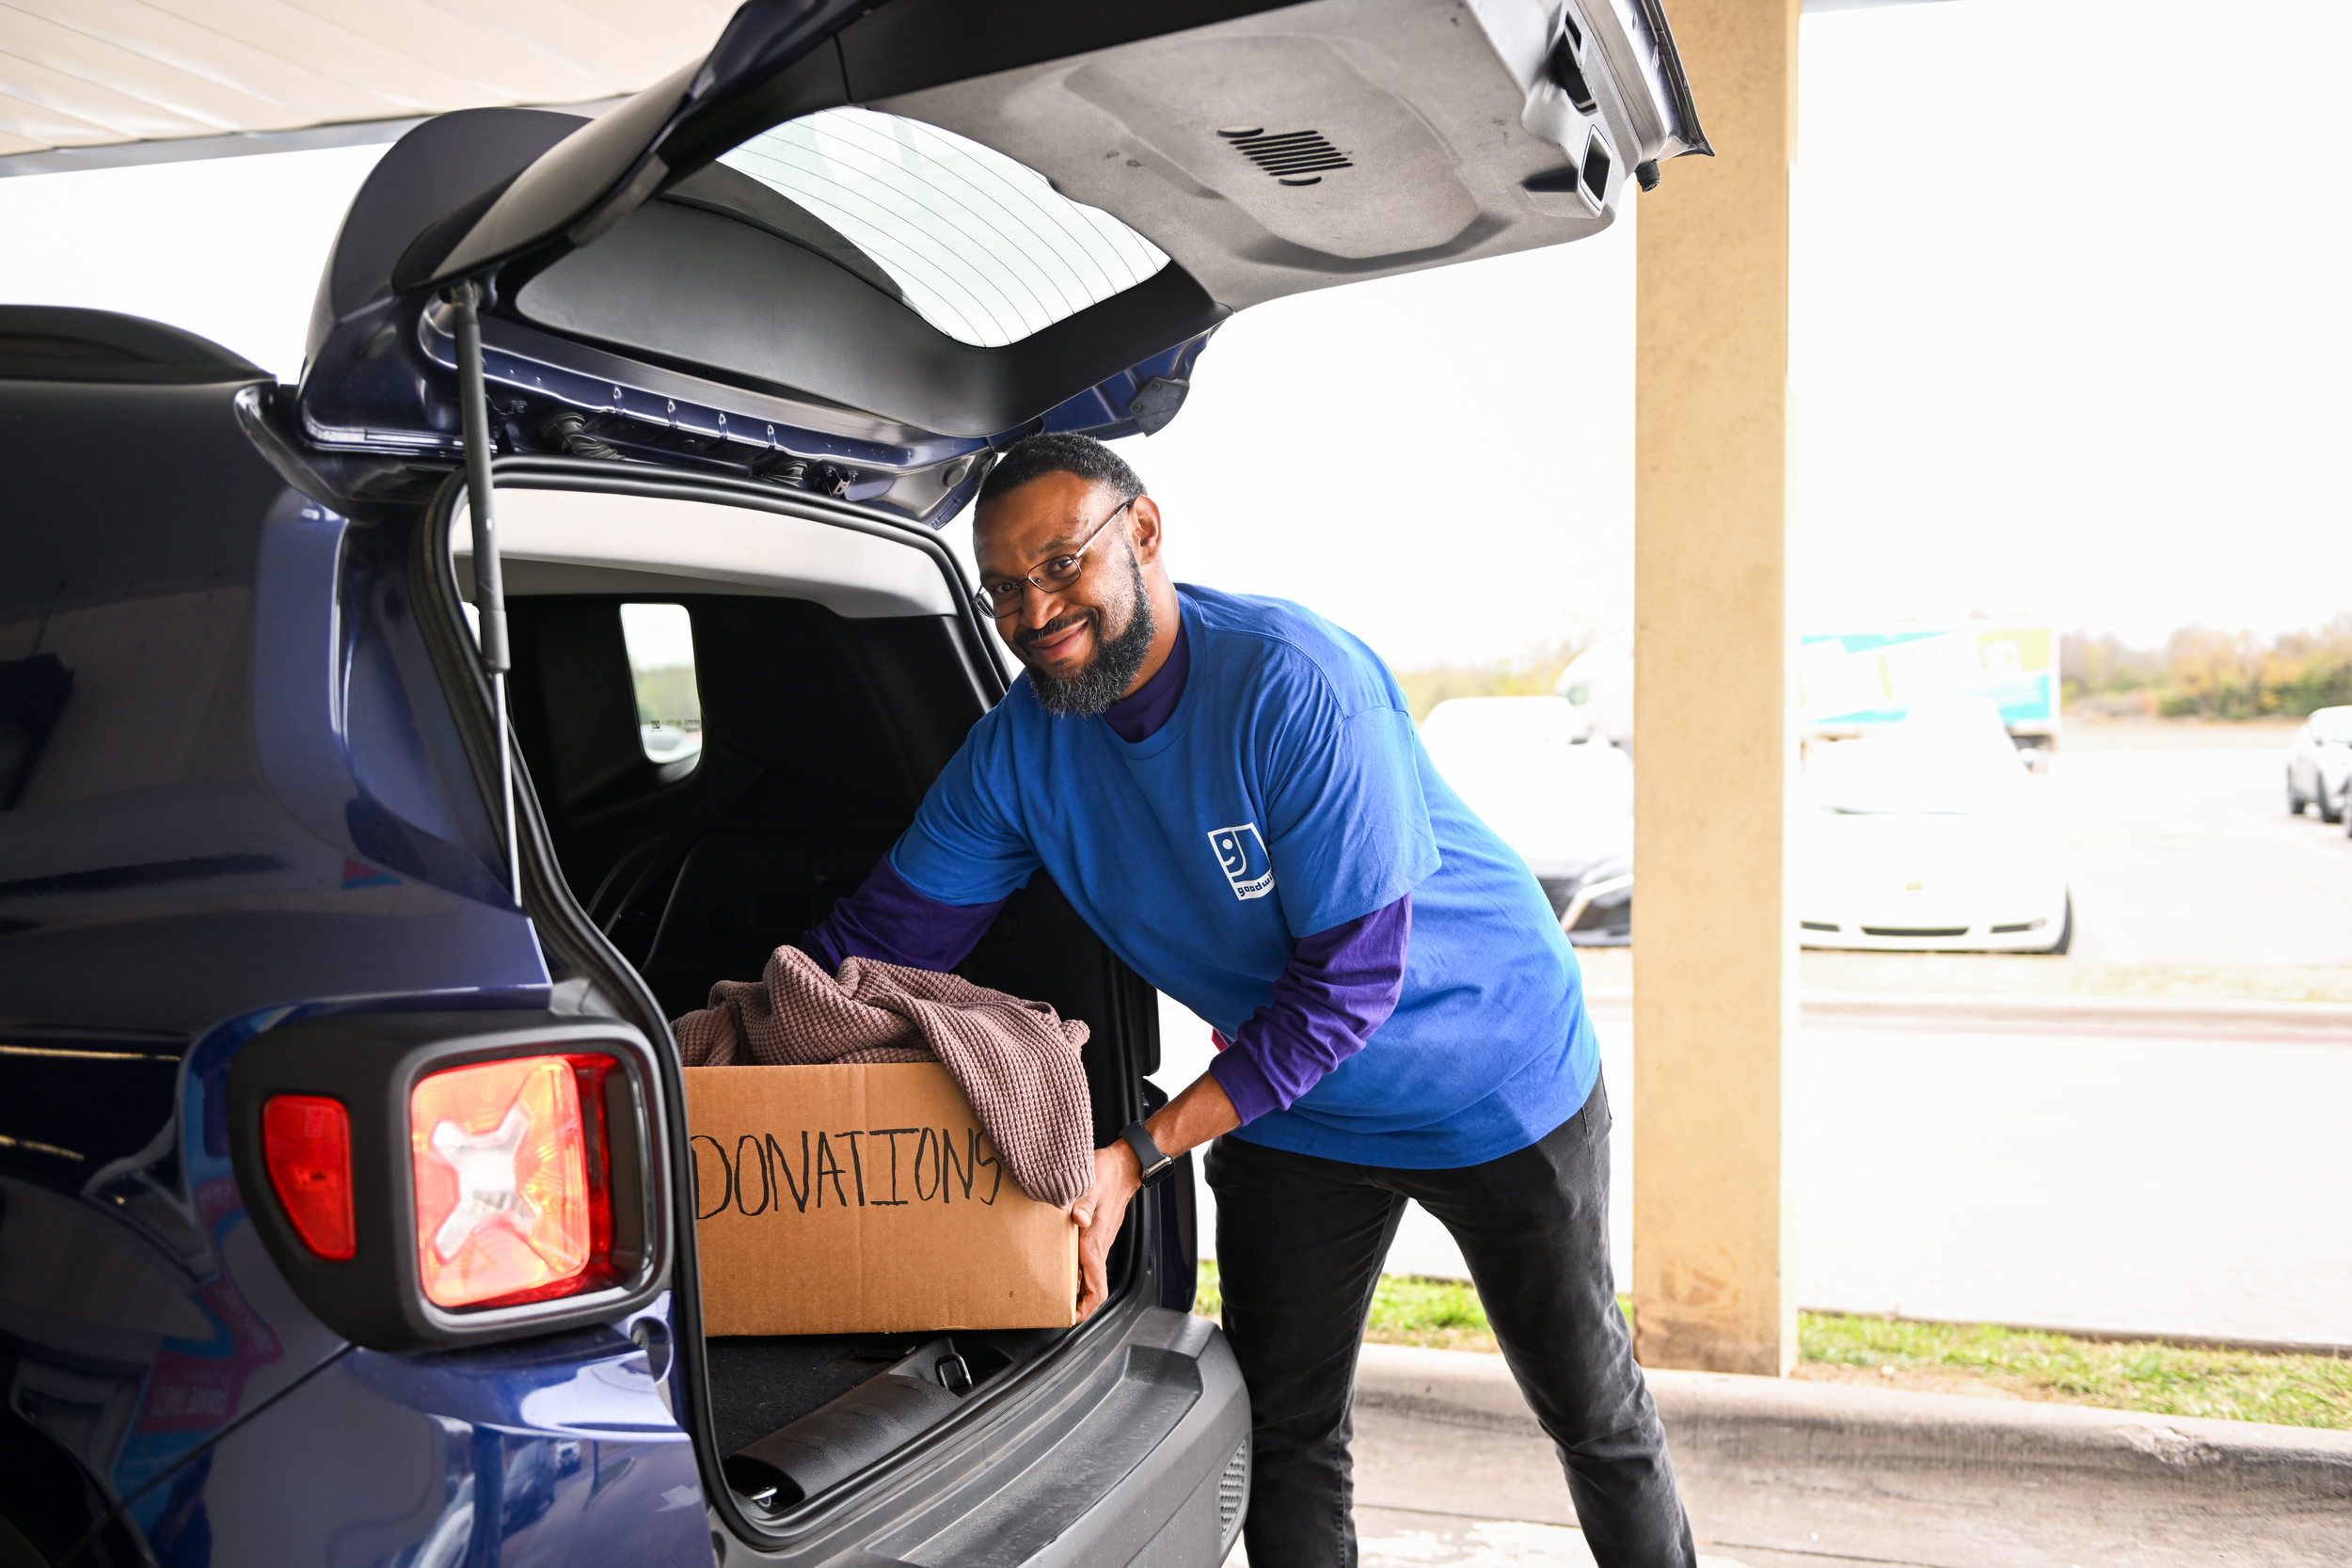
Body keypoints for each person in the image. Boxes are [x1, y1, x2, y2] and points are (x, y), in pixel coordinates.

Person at [797, 433, 1694, 1567]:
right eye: (1005, 589)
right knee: (1282, 1430)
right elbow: (881, 945)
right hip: (1292, 1111)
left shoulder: (1292, 682)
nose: (1035, 608)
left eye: (1061, 562)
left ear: (1144, 532)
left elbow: (1348, 986)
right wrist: (722, 1050)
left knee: (1592, 1413)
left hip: (1493, 1081)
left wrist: (1136, 1150)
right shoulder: (1018, 754)